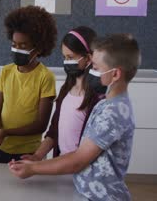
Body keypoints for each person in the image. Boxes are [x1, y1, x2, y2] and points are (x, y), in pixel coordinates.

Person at [9, 34, 140, 201]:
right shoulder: (107, 104)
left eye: (96, 67)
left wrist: (34, 168)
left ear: (115, 75)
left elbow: (79, 159)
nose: (91, 71)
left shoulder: (112, 112)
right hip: (86, 192)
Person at [0, 6, 57, 163]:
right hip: (1, 149)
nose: (17, 49)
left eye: (23, 46)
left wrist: (6, 132)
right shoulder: (6, 71)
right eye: (14, 44)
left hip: (29, 153)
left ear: (38, 48)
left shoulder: (45, 77)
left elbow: (41, 125)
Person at [21, 26, 102, 161]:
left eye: (71, 57)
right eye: (64, 57)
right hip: (61, 167)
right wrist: (37, 156)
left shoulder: (97, 97)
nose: (66, 62)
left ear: (88, 59)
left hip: (80, 171)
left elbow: (90, 150)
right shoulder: (66, 90)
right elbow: (54, 131)